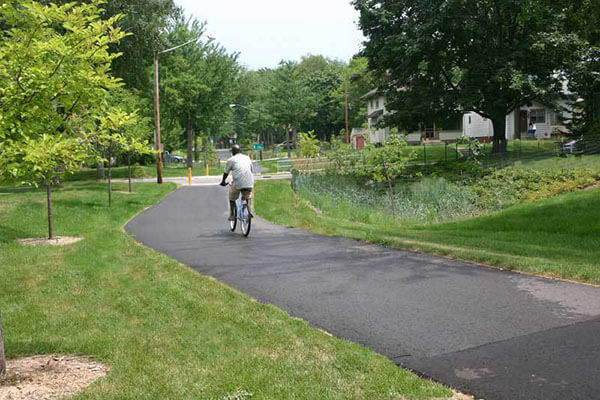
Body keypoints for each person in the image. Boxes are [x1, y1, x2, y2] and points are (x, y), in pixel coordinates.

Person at [220, 144, 254, 221]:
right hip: (249, 181)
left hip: (238, 183)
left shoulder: (231, 160)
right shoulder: (247, 157)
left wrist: (223, 181)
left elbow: (226, 172)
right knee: (247, 196)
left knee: (232, 196)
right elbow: (251, 170)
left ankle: (232, 215)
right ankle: (248, 211)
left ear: (232, 152)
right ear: (240, 151)